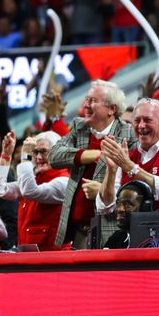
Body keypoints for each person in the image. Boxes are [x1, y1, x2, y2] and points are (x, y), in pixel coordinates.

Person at [49, 80, 135, 249]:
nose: (85, 105)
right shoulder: (78, 126)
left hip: (109, 228)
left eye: (93, 101)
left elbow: (134, 180)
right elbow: (53, 156)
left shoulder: (128, 133)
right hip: (77, 229)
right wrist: (90, 155)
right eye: (86, 99)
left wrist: (104, 189)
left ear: (112, 109)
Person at [98, 98, 159, 227]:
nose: (141, 125)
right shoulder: (127, 158)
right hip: (134, 241)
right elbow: (105, 207)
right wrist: (111, 171)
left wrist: (130, 167)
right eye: (137, 120)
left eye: (147, 120)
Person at [0, 131, 68, 250]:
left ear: (58, 153)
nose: (39, 157)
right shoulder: (35, 179)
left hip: (53, 257)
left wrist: (25, 157)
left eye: (43, 152)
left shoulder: (64, 182)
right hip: (28, 254)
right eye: (35, 152)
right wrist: (6, 154)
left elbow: (30, 192)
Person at [101, 180, 154, 249]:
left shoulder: (152, 242)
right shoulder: (115, 239)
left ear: (144, 208)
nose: (120, 209)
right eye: (118, 203)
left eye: (128, 204)